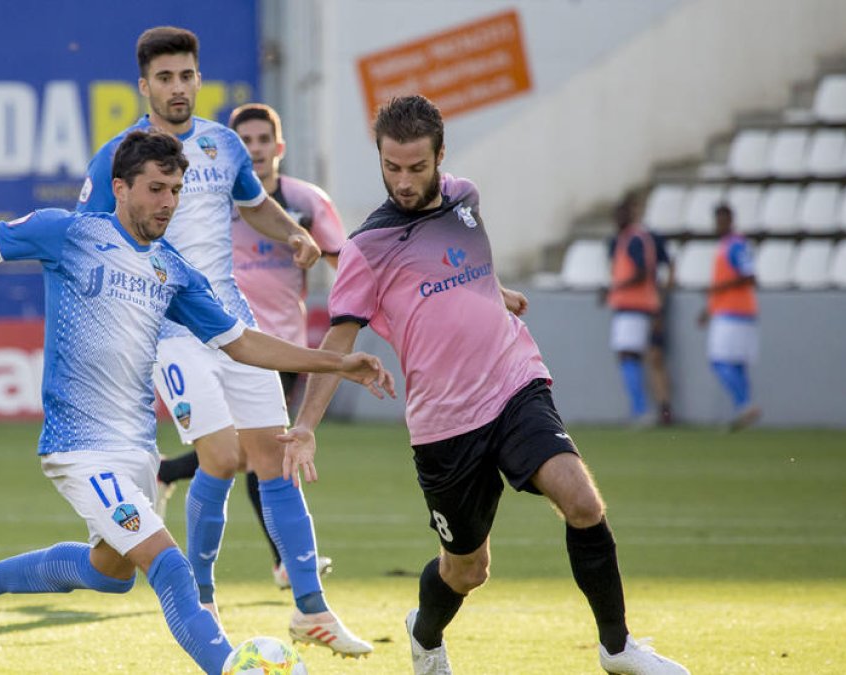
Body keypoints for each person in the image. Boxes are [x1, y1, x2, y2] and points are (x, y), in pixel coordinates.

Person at [0, 129, 392, 674]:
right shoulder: (67, 233)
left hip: (137, 451)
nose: (168, 202)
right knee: (169, 565)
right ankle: (230, 667)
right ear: (120, 188)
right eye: (155, 189)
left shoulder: (172, 271)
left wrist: (336, 362)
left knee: (109, 573)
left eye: (175, 189)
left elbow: (240, 342)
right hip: (79, 448)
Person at [279, 95, 689, 675]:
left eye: (416, 168)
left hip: (513, 380)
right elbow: (337, 343)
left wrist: (495, 295)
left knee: (581, 501)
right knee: (467, 569)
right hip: (444, 424)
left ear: (440, 157)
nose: (402, 180)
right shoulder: (367, 247)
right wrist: (304, 426)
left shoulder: (465, 198)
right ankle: (424, 635)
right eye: (391, 167)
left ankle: (617, 648)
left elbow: (458, 264)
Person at [77, 27, 373, 658]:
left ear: (197, 78)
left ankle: (310, 611)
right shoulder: (117, 158)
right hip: (167, 333)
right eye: (165, 78)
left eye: (187, 76)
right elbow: (83, 242)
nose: (178, 88)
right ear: (144, 86)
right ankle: (204, 598)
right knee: (220, 455)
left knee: (278, 459)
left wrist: (295, 233)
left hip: (234, 326)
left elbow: (256, 204)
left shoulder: (223, 145)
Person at [155, 103, 348, 591]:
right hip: (219, 339)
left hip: (282, 343)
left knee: (250, 453)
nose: (257, 149)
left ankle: (168, 473)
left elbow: (345, 262)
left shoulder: (303, 203)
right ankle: (283, 566)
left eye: (265, 140)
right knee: (249, 454)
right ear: (235, 150)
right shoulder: (212, 196)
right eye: (249, 141)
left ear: (278, 148)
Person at [604, 191, 675, 426]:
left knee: (631, 354)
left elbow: (643, 272)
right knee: (635, 355)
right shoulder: (624, 239)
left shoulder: (636, 239)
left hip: (636, 305)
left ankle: (642, 410)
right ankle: (646, 409)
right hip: (638, 305)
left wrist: (617, 287)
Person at [698, 203, 761, 430]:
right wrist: (708, 309)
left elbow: (750, 276)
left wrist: (719, 290)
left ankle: (744, 404)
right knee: (736, 363)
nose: (719, 225)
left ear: (731, 220)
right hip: (732, 310)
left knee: (719, 360)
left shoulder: (736, 244)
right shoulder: (726, 245)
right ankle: (744, 408)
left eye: (722, 220)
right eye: (717, 220)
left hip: (733, 311)